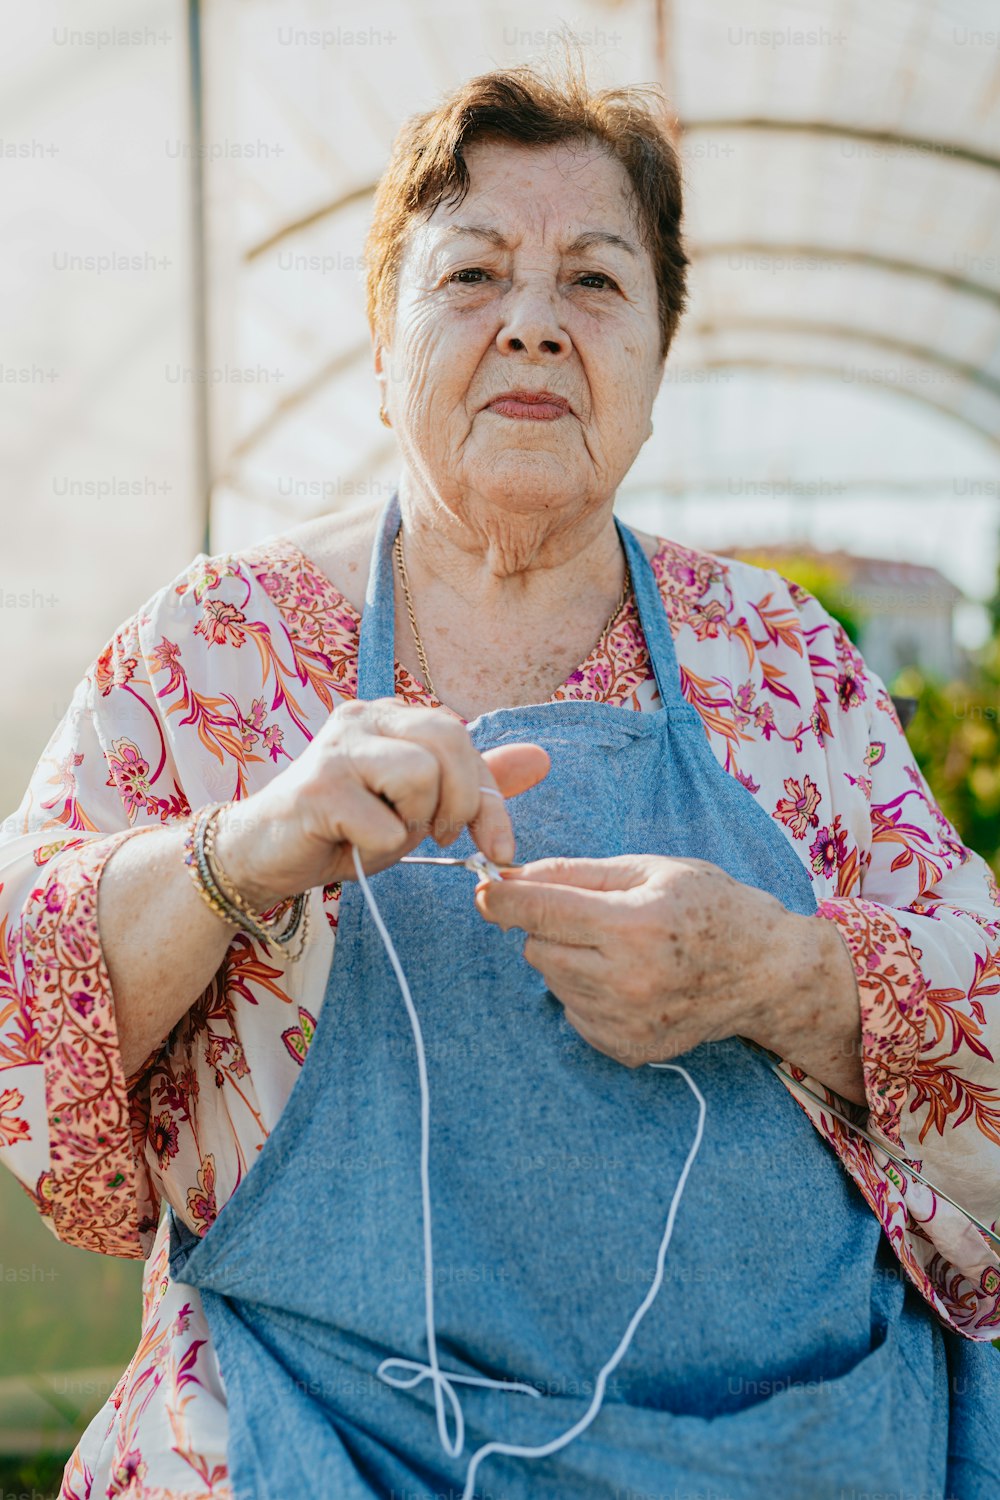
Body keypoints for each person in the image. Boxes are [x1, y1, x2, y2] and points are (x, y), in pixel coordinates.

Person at [2, 60, 1000, 1500]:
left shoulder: (784, 663)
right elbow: (26, 1019)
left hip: (788, 1443)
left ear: (659, 359)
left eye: (596, 283)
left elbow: (984, 1017)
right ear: (383, 335)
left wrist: (781, 974)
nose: (533, 320)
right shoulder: (211, 652)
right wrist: (239, 850)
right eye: (472, 273)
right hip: (322, 1441)